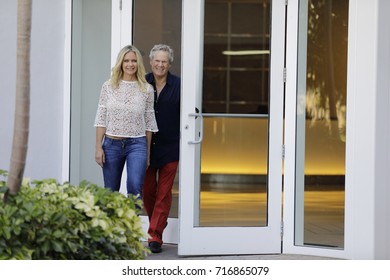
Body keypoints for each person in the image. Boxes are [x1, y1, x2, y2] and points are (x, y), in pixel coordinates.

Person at [94, 45, 158, 201]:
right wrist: (98, 147)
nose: (130, 64)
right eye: (126, 60)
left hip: (137, 144)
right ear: (120, 63)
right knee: (110, 191)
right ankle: (112, 225)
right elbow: (101, 117)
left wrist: (147, 153)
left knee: (135, 187)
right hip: (111, 144)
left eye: (134, 61)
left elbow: (149, 124)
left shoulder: (147, 89)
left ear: (139, 64)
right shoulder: (108, 86)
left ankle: (132, 224)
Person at [143, 44, 180, 253]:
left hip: (170, 146)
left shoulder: (178, 85)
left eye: (164, 61)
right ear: (151, 62)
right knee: (148, 190)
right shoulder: (142, 82)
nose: (160, 64)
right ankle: (157, 223)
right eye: (157, 60)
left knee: (164, 193)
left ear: (169, 64)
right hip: (145, 146)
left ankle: (155, 235)